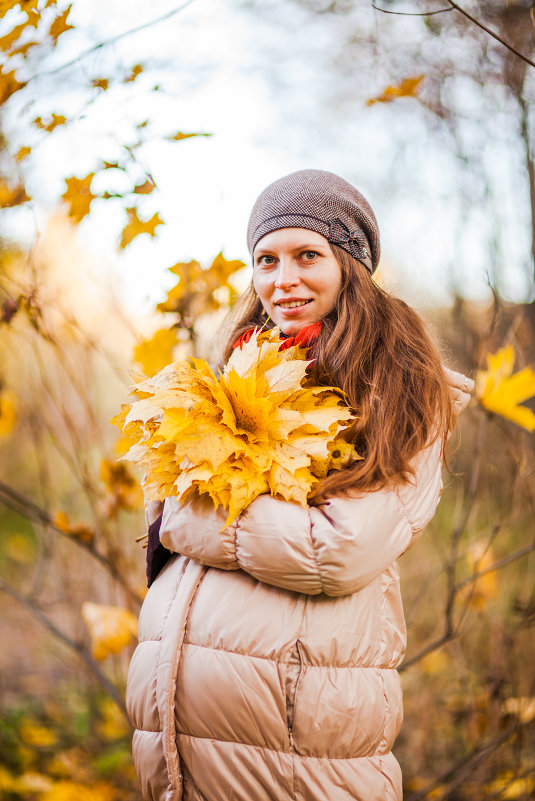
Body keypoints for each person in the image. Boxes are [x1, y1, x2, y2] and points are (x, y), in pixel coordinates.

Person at [126, 169, 473, 801]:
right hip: (192, 757)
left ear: (350, 263)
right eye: (266, 259)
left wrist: (185, 519)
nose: (282, 280)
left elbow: (334, 551)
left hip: (300, 761)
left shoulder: (397, 388)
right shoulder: (238, 371)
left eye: (306, 255)